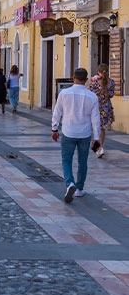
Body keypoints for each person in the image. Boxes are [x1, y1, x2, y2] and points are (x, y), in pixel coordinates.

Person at [52, 67, 100, 202]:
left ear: (73, 78)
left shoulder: (64, 93)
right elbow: (95, 119)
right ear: (86, 80)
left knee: (66, 160)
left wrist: (54, 128)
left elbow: (57, 112)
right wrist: (96, 138)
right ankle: (79, 188)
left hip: (68, 131)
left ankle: (70, 183)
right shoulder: (92, 96)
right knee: (82, 161)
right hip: (84, 133)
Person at [88, 63, 115, 158]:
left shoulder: (94, 83)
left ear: (98, 72)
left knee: (96, 127)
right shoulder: (111, 82)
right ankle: (100, 147)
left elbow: (89, 94)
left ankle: (96, 145)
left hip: (95, 107)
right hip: (106, 108)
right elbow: (111, 95)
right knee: (102, 129)